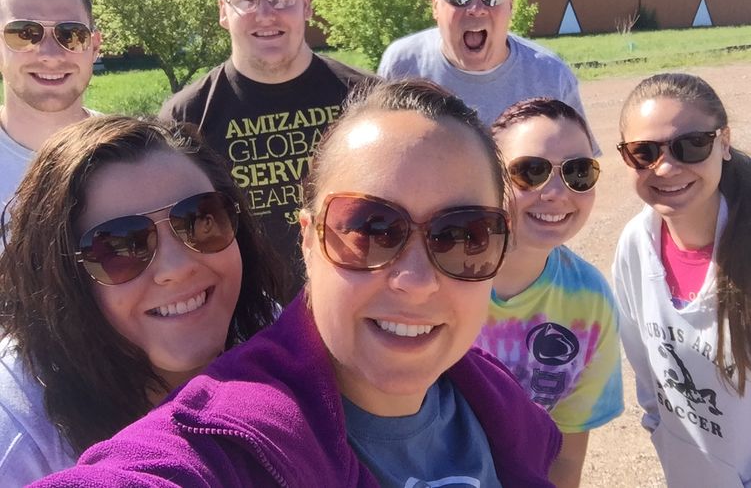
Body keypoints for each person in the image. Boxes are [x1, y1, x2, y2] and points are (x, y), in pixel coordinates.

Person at [33, 80, 561, 487]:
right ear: (308, 242)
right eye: (370, 230)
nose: (416, 280)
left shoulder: (494, 399)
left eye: (462, 234)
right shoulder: (232, 440)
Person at [0, 116, 282, 486]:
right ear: (62, 279)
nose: (176, 268)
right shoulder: (19, 438)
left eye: (200, 220)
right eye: (120, 246)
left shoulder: (268, 334)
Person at [159, 0, 369, 302]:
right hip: (241, 321)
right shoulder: (185, 116)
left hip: (354, 305)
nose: (266, 14)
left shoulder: (369, 99)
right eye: (247, 0)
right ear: (223, 11)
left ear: (305, 3)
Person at [475, 98, 623, 487]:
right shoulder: (439, 277)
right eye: (530, 171)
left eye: (578, 172)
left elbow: (566, 456)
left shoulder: (589, 301)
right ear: (490, 175)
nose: (556, 192)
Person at [613, 73, 751, 487]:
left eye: (691, 145)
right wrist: (665, 436)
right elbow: (648, 378)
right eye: (644, 152)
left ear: (723, 142)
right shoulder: (636, 246)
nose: (667, 167)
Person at [378, 0, 599, 154]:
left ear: (510, 4)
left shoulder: (551, 76)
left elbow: (578, 170)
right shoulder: (402, 65)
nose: (476, 7)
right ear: (436, 5)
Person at [0, 0, 101, 209]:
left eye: (70, 34)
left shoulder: (133, 154)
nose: (50, 54)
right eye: (24, 33)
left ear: (95, 47)